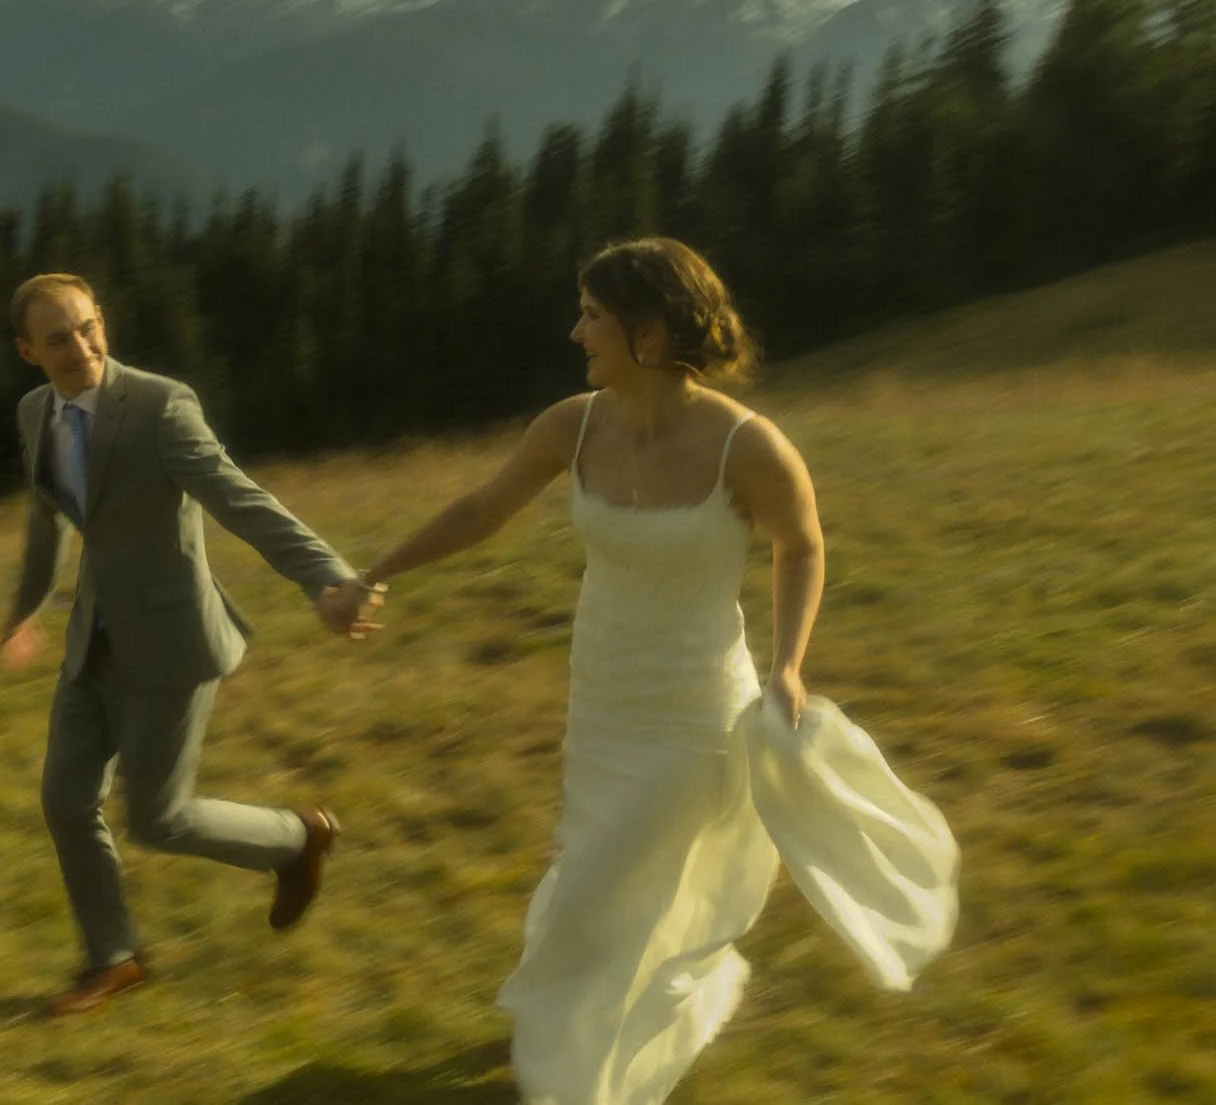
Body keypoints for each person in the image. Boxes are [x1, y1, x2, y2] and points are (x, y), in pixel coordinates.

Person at [356, 238, 957, 1105]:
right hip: (600, 698)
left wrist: (787, 664)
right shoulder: (574, 424)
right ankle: (588, 1026)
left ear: (646, 331)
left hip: (693, 715)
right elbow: (484, 508)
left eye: (592, 315)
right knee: (606, 877)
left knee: (599, 889)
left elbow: (802, 546)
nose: (575, 332)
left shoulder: (747, 446)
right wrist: (377, 569)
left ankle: (576, 1072)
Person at [0, 272, 382, 1017]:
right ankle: (112, 958)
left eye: (87, 327)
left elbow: (239, 496)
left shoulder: (158, 406)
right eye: (57, 338)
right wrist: (24, 610)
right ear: (27, 351)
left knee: (159, 817)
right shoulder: (33, 413)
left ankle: (295, 838)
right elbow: (46, 518)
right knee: (65, 800)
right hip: (93, 638)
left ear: (101, 320)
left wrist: (327, 578)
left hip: (171, 639)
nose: (80, 347)